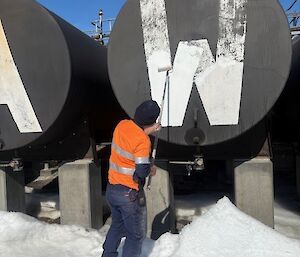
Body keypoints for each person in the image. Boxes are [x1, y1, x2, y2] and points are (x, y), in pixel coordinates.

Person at [101, 100, 161, 257]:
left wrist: (149, 129)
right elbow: (141, 172)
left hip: (112, 189)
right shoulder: (143, 141)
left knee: (117, 226)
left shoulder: (122, 125)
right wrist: (150, 169)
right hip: (128, 194)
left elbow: (133, 136)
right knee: (134, 236)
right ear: (152, 121)